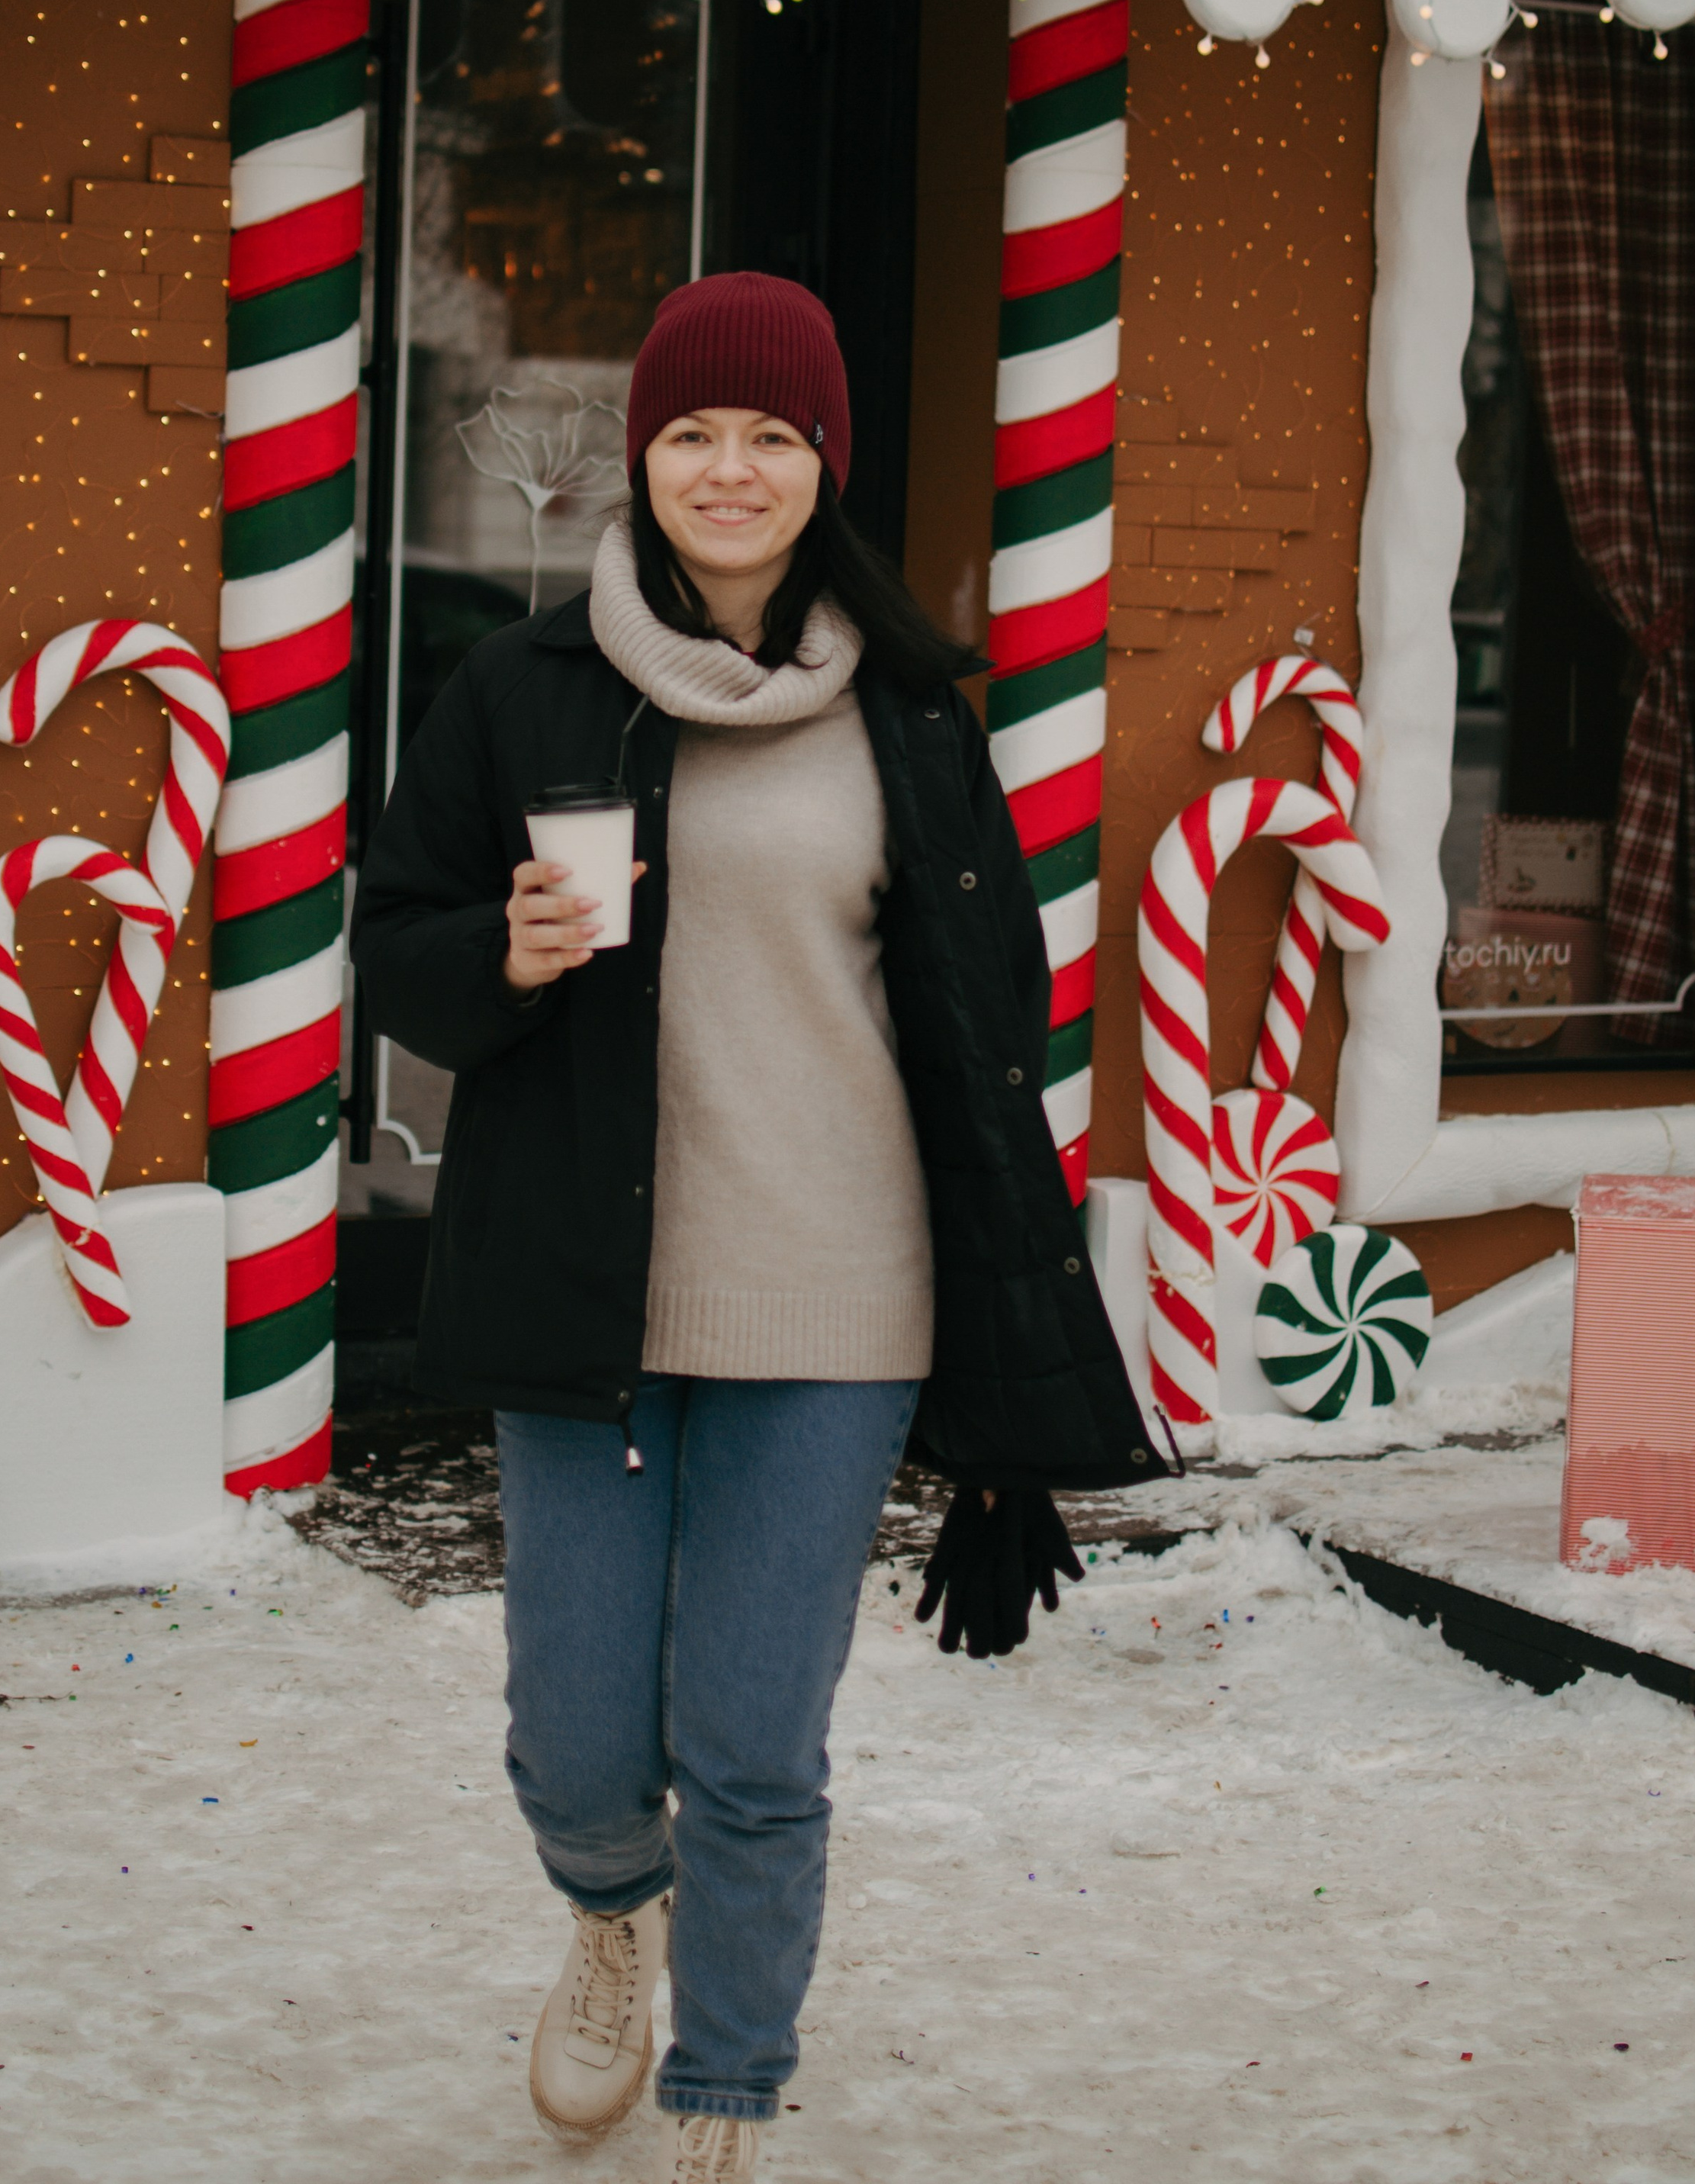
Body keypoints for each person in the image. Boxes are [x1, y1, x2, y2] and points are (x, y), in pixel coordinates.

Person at [352, 271, 1163, 2183]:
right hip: (588, 1285)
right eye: (697, 432)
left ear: (824, 467)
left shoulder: (908, 712)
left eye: (772, 436)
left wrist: (1011, 1311)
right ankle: (608, 1923)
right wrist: (501, 956)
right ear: (643, 451)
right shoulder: (523, 688)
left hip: (838, 1288)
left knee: (750, 1736)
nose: (731, 469)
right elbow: (397, 942)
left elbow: (987, 1012)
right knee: (572, 1732)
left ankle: (727, 2082)